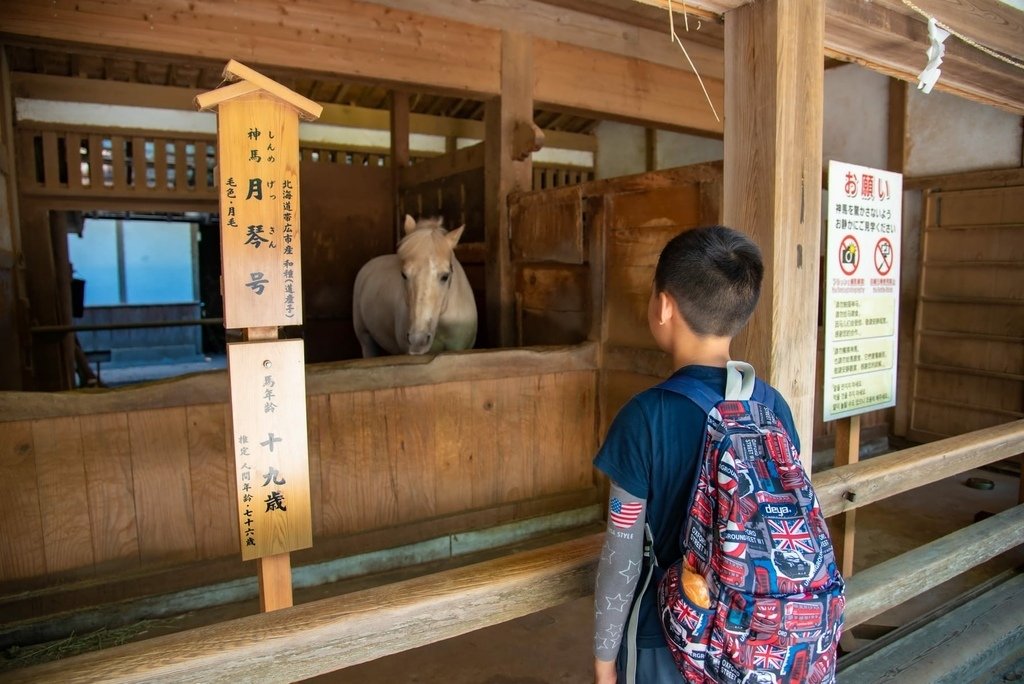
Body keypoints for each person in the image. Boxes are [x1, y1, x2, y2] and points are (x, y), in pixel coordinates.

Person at [592, 225, 801, 684]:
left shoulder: (644, 418)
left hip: (664, 641)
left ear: (663, 305)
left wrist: (604, 662)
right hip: (756, 639)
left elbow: (622, 556)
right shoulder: (773, 408)